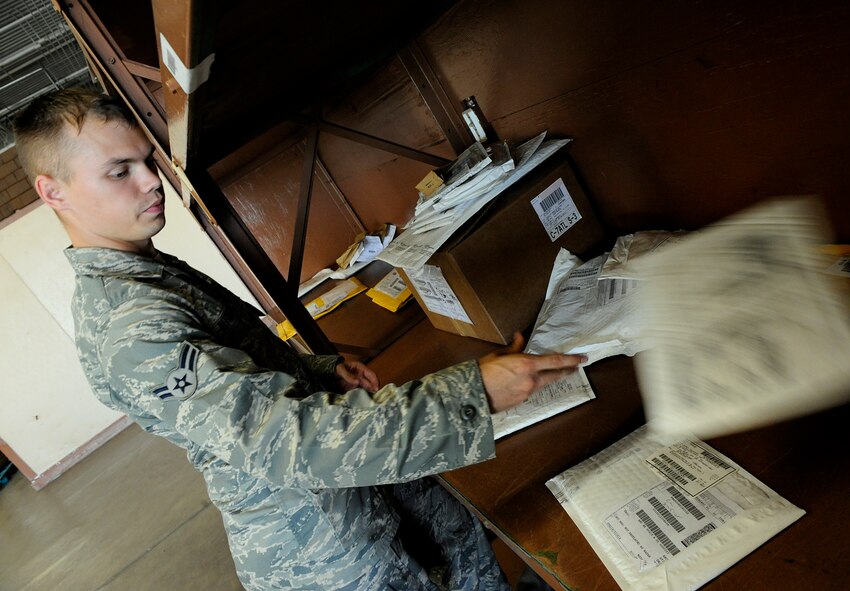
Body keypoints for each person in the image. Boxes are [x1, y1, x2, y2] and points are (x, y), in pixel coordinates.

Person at [13, 88, 585, 590]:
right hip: (323, 548)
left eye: (146, 161)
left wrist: (318, 371)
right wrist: (474, 392)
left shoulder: (143, 271)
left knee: (465, 558)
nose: (150, 182)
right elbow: (284, 440)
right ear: (53, 191)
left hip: (356, 494)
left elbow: (239, 372)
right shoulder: (130, 326)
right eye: (119, 171)